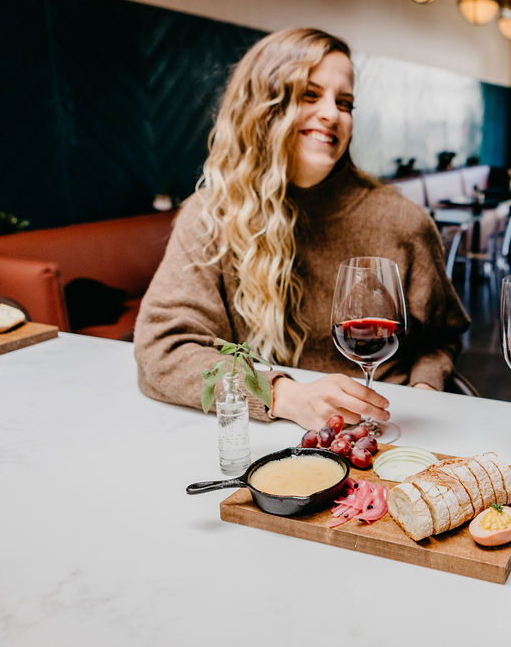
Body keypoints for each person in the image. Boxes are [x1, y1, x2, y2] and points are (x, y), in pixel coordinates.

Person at [135, 28, 469, 431]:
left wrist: (425, 388)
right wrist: (279, 394)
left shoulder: (402, 221)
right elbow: (163, 350)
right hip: (263, 437)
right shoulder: (210, 215)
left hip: (383, 433)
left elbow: (441, 337)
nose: (332, 114)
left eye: (344, 102)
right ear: (263, 106)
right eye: (309, 95)